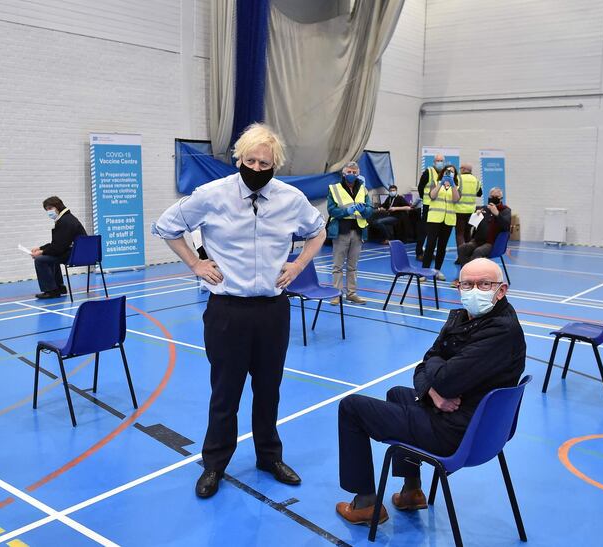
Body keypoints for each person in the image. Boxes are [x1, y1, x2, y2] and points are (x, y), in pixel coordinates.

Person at [152, 123, 326, 499]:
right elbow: (166, 227)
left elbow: (318, 230)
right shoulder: (211, 195)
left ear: (275, 163)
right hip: (227, 310)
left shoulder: (291, 198)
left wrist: (297, 266)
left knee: (269, 390)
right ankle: (214, 464)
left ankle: (269, 457)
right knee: (225, 392)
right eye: (251, 160)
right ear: (239, 159)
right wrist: (196, 265)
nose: (258, 168)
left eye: (266, 162)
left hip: (272, 310)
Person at [335, 258, 525, 526]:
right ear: (458, 286)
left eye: (484, 284)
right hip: (472, 423)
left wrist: (437, 381)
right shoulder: (465, 318)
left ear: (501, 289)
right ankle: (411, 490)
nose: (474, 290)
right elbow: (428, 361)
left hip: (458, 434)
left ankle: (365, 504)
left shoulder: (501, 331)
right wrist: (434, 393)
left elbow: (442, 376)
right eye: (467, 284)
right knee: (398, 393)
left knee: (352, 407)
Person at [327, 162, 374, 305]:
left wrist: (363, 210)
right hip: (341, 231)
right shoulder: (334, 188)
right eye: (349, 172)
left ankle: (351, 293)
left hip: (358, 231)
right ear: (343, 173)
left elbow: (370, 210)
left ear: (358, 173)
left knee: (353, 266)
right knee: (338, 266)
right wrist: (346, 211)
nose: (351, 175)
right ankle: (336, 294)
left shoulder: (363, 189)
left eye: (354, 172)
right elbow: (331, 210)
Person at [30, 196, 87, 299]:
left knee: (40, 260)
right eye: (47, 209)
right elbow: (58, 243)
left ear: (57, 207)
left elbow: (58, 248)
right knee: (51, 256)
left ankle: (51, 291)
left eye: (50, 208)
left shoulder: (65, 221)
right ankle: (59, 287)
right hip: (79, 252)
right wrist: (40, 248)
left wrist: (41, 252)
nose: (48, 211)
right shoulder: (67, 218)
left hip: (76, 255)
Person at [455, 187, 511, 279]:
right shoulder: (483, 209)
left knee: (478, 251)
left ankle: (474, 277)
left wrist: (497, 214)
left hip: (491, 243)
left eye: (496, 196)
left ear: (501, 198)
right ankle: (465, 276)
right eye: (491, 196)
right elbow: (470, 225)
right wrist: (475, 216)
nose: (493, 198)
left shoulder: (505, 211)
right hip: (477, 241)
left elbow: (506, 227)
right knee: (462, 248)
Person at [421, 165, 460, 281]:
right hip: (434, 219)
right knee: (430, 245)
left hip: (448, 220)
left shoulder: (457, 186)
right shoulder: (435, 183)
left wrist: (452, 185)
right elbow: (432, 196)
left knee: (442, 247)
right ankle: (424, 272)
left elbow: (456, 199)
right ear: (443, 173)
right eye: (447, 171)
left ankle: (437, 270)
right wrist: (440, 184)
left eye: (452, 172)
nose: (449, 173)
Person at [415, 154, 444, 260]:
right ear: (434, 161)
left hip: (438, 207)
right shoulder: (428, 171)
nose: (440, 162)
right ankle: (419, 253)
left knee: (433, 232)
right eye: (438, 160)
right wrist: (425, 198)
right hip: (427, 205)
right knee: (424, 230)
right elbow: (420, 187)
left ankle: (429, 252)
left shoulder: (444, 173)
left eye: (441, 160)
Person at [453, 163, 482, 247]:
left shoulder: (458, 178)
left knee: (459, 234)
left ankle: (461, 256)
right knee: (467, 233)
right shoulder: (476, 180)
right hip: (471, 211)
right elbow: (479, 193)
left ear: (463, 169)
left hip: (459, 210)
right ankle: (468, 255)